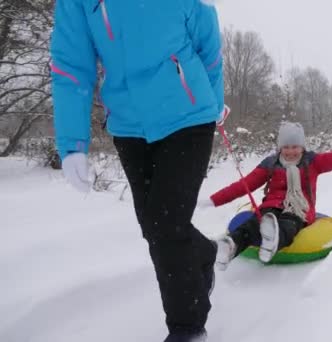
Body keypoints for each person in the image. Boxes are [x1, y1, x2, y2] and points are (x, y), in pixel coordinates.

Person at [49, 1, 225, 341]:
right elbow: (72, 66)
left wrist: (215, 103)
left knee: (164, 223)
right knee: (155, 226)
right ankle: (202, 253)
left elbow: (208, 46)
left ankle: (187, 327)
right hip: (129, 126)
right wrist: (72, 143)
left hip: (189, 114)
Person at [198, 122, 332, 270]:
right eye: (286, 146)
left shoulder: (313, 162)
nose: (290, 151)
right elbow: (244, 185)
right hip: (271, 207)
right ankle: (231, 246)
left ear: (302, 146)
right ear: (280, 147)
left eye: (295, 146)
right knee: (255, 222)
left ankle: (274, 240)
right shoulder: (270, 164)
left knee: (289, 222)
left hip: (299, 209)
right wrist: (214, 200)